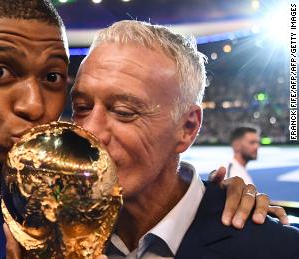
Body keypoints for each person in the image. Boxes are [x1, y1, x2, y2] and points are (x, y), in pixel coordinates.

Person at [0, 1, 288, 258]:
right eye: (0, 72)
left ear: (188, 127)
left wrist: (223, 198)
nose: (35, 104)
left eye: (53, 79)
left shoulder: (71, 192)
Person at [67, 21, 298, 258]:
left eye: (124, 112)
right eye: (81, 108)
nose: (89, 131)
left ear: (187, 127)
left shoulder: (276, 249)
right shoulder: (53, 228)